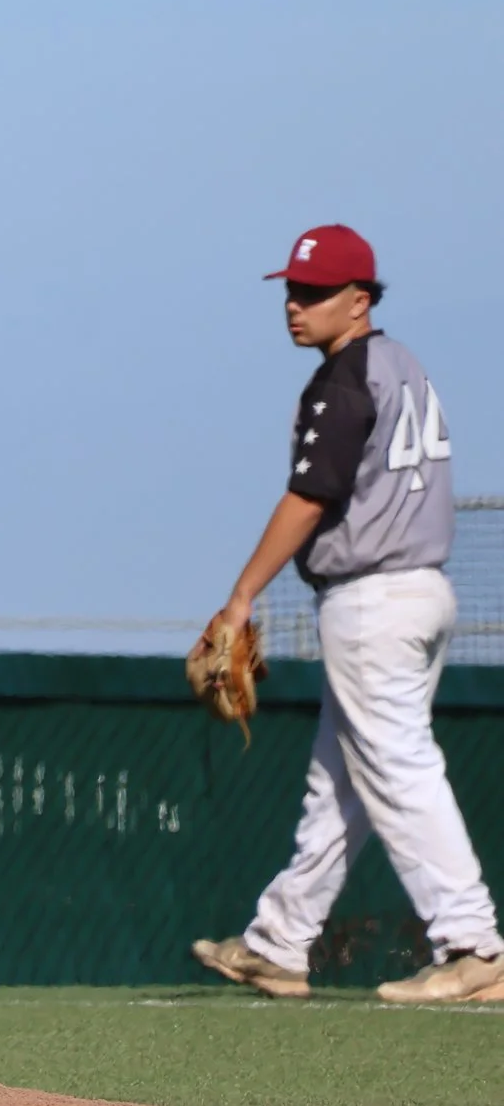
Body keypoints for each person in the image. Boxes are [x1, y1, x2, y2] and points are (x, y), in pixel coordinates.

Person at [192, 224, 502, 1003]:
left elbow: (309, 499)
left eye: (317, 291)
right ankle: (279, 941)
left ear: (359, 300)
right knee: (342, 783)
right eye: (293, 289)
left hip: (372, 599)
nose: (297, 305)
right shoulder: (403, 364)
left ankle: (471, 942)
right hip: (419, 592)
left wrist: (243, 592)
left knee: (396, 765)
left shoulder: (343, 380)